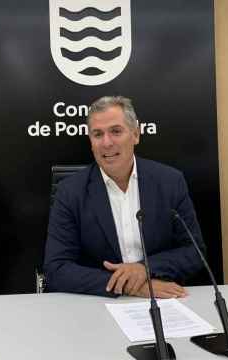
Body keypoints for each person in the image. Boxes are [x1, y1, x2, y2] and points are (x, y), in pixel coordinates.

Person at [44, 96, 204, 298]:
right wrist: (129, 285)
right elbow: (56, 269)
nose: (107, 143)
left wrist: (144, 269)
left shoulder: (170, 182)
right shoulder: (70, 191)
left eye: (116, 131)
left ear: (135, 134)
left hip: (162, 299)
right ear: (90, 141)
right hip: (97, 302)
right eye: (97, 134)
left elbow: (194, 252)